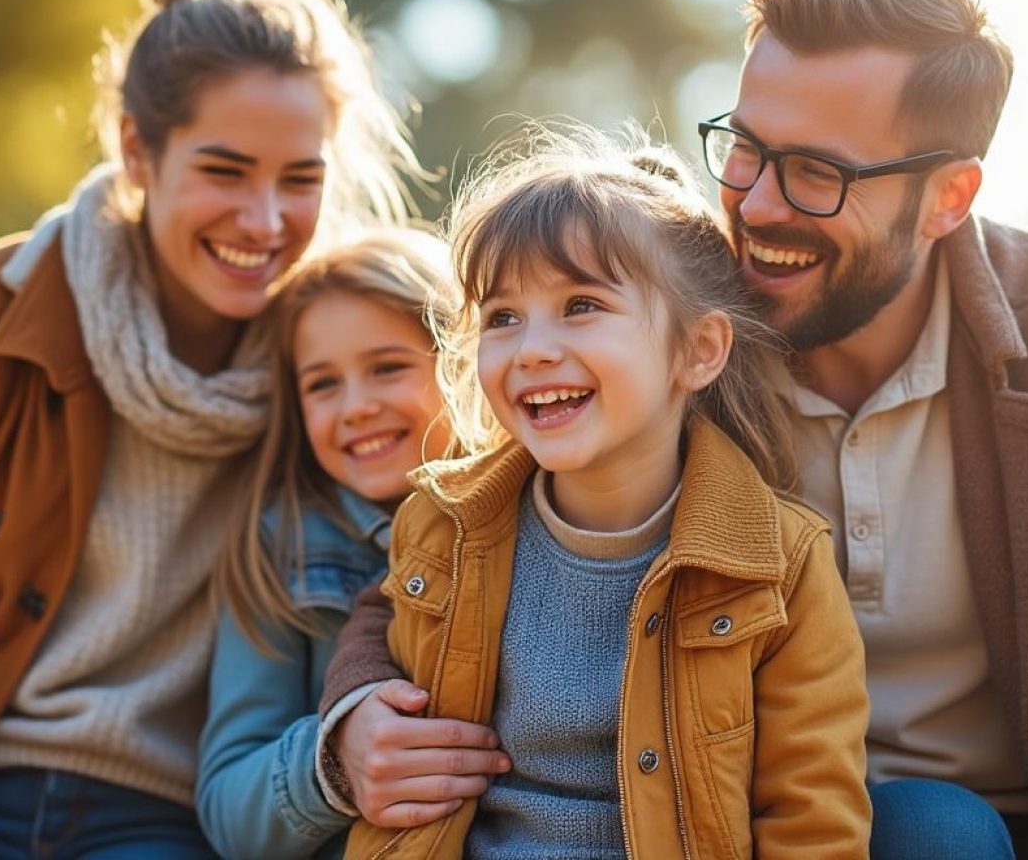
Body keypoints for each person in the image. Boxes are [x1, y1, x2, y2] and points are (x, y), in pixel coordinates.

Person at [320, 0, 1028, 860]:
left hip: (984, 826)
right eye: (745, 149)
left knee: (934, 832)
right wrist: (356, 720)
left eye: (818, 173)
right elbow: (445, 541)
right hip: (712, 811)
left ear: (948, 196)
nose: (755, 205)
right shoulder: (678, 321)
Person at [0, 0, 423, 860]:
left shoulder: (334, 364)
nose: (265, 220)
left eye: (300, 180)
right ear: (137, 151)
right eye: (224, 171)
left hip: (173, 822)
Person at [341, 127, 872, 858]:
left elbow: (812, 822)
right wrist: (350, 711)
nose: (532, 349)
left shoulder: (782, 569)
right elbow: (376, 633)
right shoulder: (442, 523)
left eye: (582, 305)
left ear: (699, 350)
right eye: (502, 318)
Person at [196, 227, 481, 859]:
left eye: (387, 367)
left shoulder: (544, 512)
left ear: (463, 359)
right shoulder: (282, 548)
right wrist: (333, 765)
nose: (355, 406)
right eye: (323, 384)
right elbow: (225, 808)